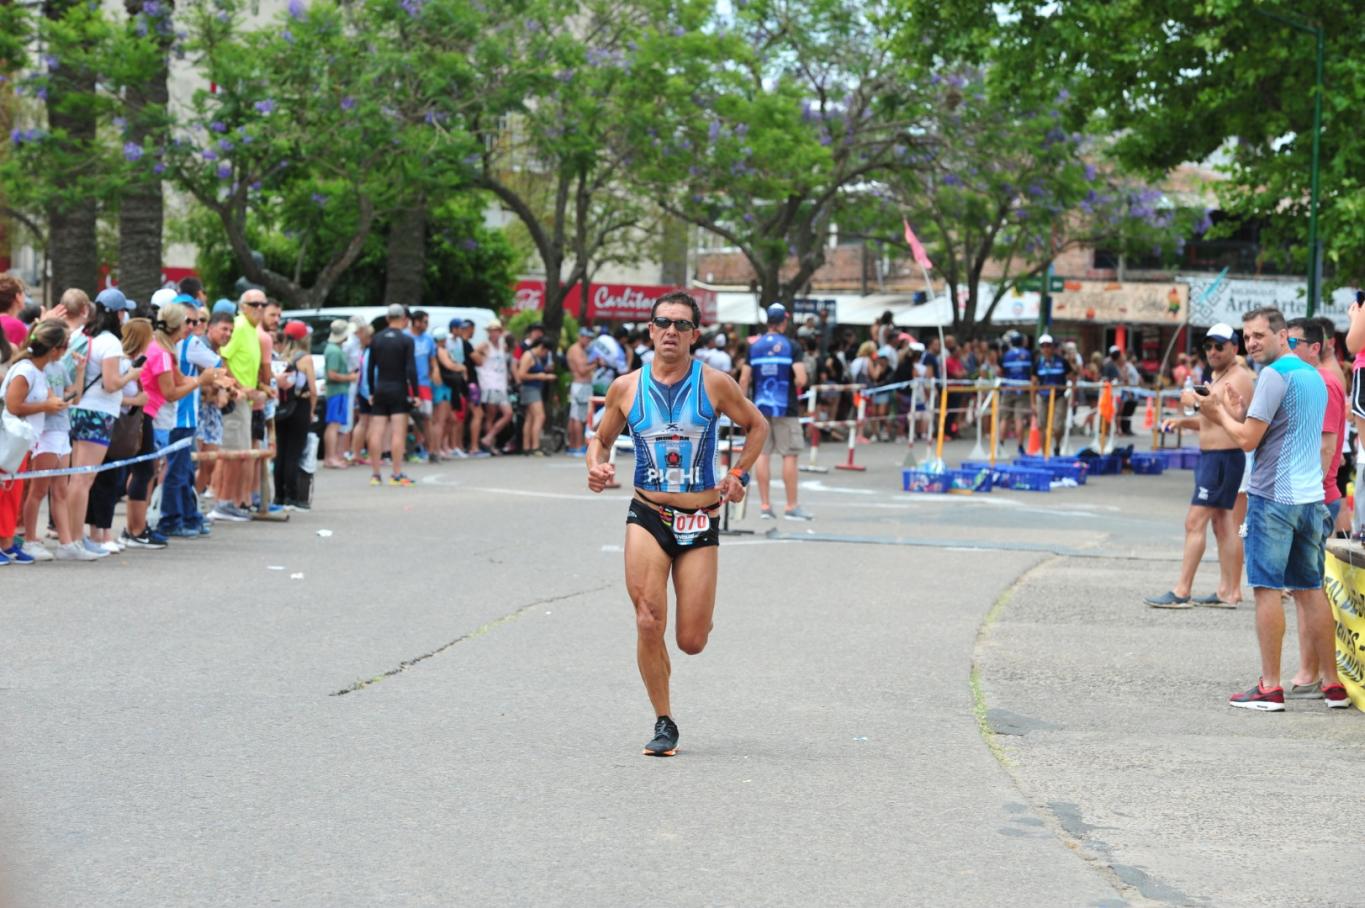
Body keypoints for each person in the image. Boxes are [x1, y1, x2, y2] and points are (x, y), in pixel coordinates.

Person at [586, 291, 769, 757]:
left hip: (699, 516)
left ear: (694, 335)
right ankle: (664, 722)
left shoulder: (715, 384)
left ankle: (700, 612)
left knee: (690, 640)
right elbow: (600, 439)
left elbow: (758, 425)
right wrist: (597, 465)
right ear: (650, 330)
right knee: (648, 619)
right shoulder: (625, 387)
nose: (671, 331)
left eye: (681, 324)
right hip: (647, 513)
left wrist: (737, 474)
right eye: (663, 322)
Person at [1198, 307, 1348, 710]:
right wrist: (1233, 410)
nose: (1252, 343)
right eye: (1247, 337)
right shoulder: (1314, 376)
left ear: (1283, 336)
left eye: (1260, 335)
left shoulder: (1274, 375)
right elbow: (1279, 432)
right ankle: (1332, 685)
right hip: (1308, 498)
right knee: (1310, 589)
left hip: (1273, 498)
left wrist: (1214, 413)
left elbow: (1248, 440)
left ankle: (1270, 687)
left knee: (1266, 589)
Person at [1145, 323, 1253, 608]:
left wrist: (1195, 403)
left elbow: (1233, 421)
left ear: (1234, 347)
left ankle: (1182, 591)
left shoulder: (1239, 377)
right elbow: (1211, 420)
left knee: (1195, 522)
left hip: (1223, 458)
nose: (1213, 352)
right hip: (1214, 458)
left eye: (1219, 346)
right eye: (1208, 346)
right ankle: (1228, 591)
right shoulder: (1218, 376)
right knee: (1222, 525)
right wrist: (1183, 420)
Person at [1283, 317, 1346, 699]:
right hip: (1314, 493)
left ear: (1315, 347)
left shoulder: (1322, 383)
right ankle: (1315, 672)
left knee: (1308, 588)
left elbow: (1326, 445)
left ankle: (1316, 673)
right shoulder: (1313, 381)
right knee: (1305, 586)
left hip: (1316, 495)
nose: (1288, 348)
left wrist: (1312, 494)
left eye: (1294, 341)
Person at [66, 288, 141, 555]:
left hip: (77, 410)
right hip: (98, 413)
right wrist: (132, 374)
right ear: (118, 313)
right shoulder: (110, 342)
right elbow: (111, 384)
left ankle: (75, 538)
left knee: (77, 477)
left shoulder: (81, 335)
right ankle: (74, 541)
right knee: (83, 479)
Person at [20, 290, 92, 560]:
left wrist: (81, 370)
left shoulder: (60, 366)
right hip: (46, 432)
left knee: (60, 489)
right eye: (63, 345)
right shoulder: (36, 367)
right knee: (38, 489)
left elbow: (74, 396)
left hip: (62, 430)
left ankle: (66, 543)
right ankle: (30, 539)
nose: (65, 350)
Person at [143, 303, 222, 542]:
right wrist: (201, 380)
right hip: (167, 418)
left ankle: (186, 516)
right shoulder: (164, 350)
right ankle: (168, 519)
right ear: (176, 325)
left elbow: (183, 379)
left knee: (183, 471)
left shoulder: (169, 349)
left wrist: (203, 380)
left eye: (196, 321)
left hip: (176, 418)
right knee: (171, 472)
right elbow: (171, 392)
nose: (194, 326)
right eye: (189, 322)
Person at [1, 319, 72, 564]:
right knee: (6, 493)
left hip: (23, 443)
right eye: (65, 346)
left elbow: (48, 399)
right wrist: (47, 405)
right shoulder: (25, 370)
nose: (66, 351)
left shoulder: (38, 371)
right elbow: (13, 406)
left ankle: (8, 543)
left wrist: (55, 403)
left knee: (14, 493)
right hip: (11, 441)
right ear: (54, 350)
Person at [740, 303, 811, 520]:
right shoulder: (792, 346)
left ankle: (764, 506)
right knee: (789, 454)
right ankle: (791, 506)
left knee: (763, 454)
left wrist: (742, 406)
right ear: (784, 322)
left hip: (760, 408)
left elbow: (744, 378)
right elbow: (801, 379)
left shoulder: (754, 346)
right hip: (785, 407)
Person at [365, 303, 419, 486]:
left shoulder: (376, 339)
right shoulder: (406, 340)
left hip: (380, 388)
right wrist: (416, 393)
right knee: (398, 432)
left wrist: (371, 391)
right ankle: (396, 473)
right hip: (398, 388)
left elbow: (370, 368)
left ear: (388, 319)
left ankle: (375, 474)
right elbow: (411, 368)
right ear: (404, 319)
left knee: (376, 431)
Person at [274, 321, 319, 508]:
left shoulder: (279, 356)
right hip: (300, 406)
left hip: (281, 408)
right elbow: (313, 390)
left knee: (281, 452)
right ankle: (293, 496)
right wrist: (312, 410)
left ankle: (278, 495)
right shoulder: (305, 359)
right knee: (294, 451)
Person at [472, 319, 513, 455]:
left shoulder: (502, 346)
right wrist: (481, 360)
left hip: (501, 384)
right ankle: (490, 444)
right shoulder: (485, 345)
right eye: (491, 331)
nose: (493, 334)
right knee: (491, 415)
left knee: (508, 413)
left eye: (496, 331)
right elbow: (473, 354)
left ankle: (488, 439)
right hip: (490, 383)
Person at [322, 320, 357, 468]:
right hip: (337, 392)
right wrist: (350, 377)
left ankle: (333, 456)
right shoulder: (334, 351)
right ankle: (330, 457)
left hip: (339, 391)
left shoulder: (334, 348)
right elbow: (332, 374)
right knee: (334, 425)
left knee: (335, 424)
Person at [1033, 334, 1073, 453]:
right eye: (1043, 346)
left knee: (1057, 426)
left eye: (1048, 345)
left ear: (1053, 347)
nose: (1046, 348)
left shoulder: (1062, 362)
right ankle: (1045, 453)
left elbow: (1071, 379)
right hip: (1042, 396)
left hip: (1059, 396)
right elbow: (1033, 383)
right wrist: (1033, 402)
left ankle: (1056, 445)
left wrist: (1071, 396)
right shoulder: (1037, 363)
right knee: (1041, 425)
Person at [516, 335, 556, 456]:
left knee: (530, 418)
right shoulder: (529, 356)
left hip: (534, 388)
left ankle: (527, 447)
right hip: (530, 389)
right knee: (540, 416)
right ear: (542, 347)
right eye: (546, 351)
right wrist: (540, 376)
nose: (546, 354)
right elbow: (521, 374)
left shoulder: (536, 357)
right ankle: (535, 446)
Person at [566, 327, 598, 456]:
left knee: (575, 417)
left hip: (580, 386)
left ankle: (573, 445)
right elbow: (582, 370)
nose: (589, 341)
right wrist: (596, 364)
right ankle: (579, 446)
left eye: (590, 338)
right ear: (581, 336)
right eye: (587, 338)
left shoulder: (581, 350)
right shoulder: (576, 350)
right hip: (581, 386)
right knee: (579, 418)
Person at [1000, 333, 1033, 453]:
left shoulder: (1007, 355)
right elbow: (1030, 371)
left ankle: (1001, 445)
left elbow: (1003, 371)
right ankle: (1020, 446)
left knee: (1005, 418)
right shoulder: (1027, 354)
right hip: (1022, 389)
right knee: (1019, 418)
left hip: (1008, 388)